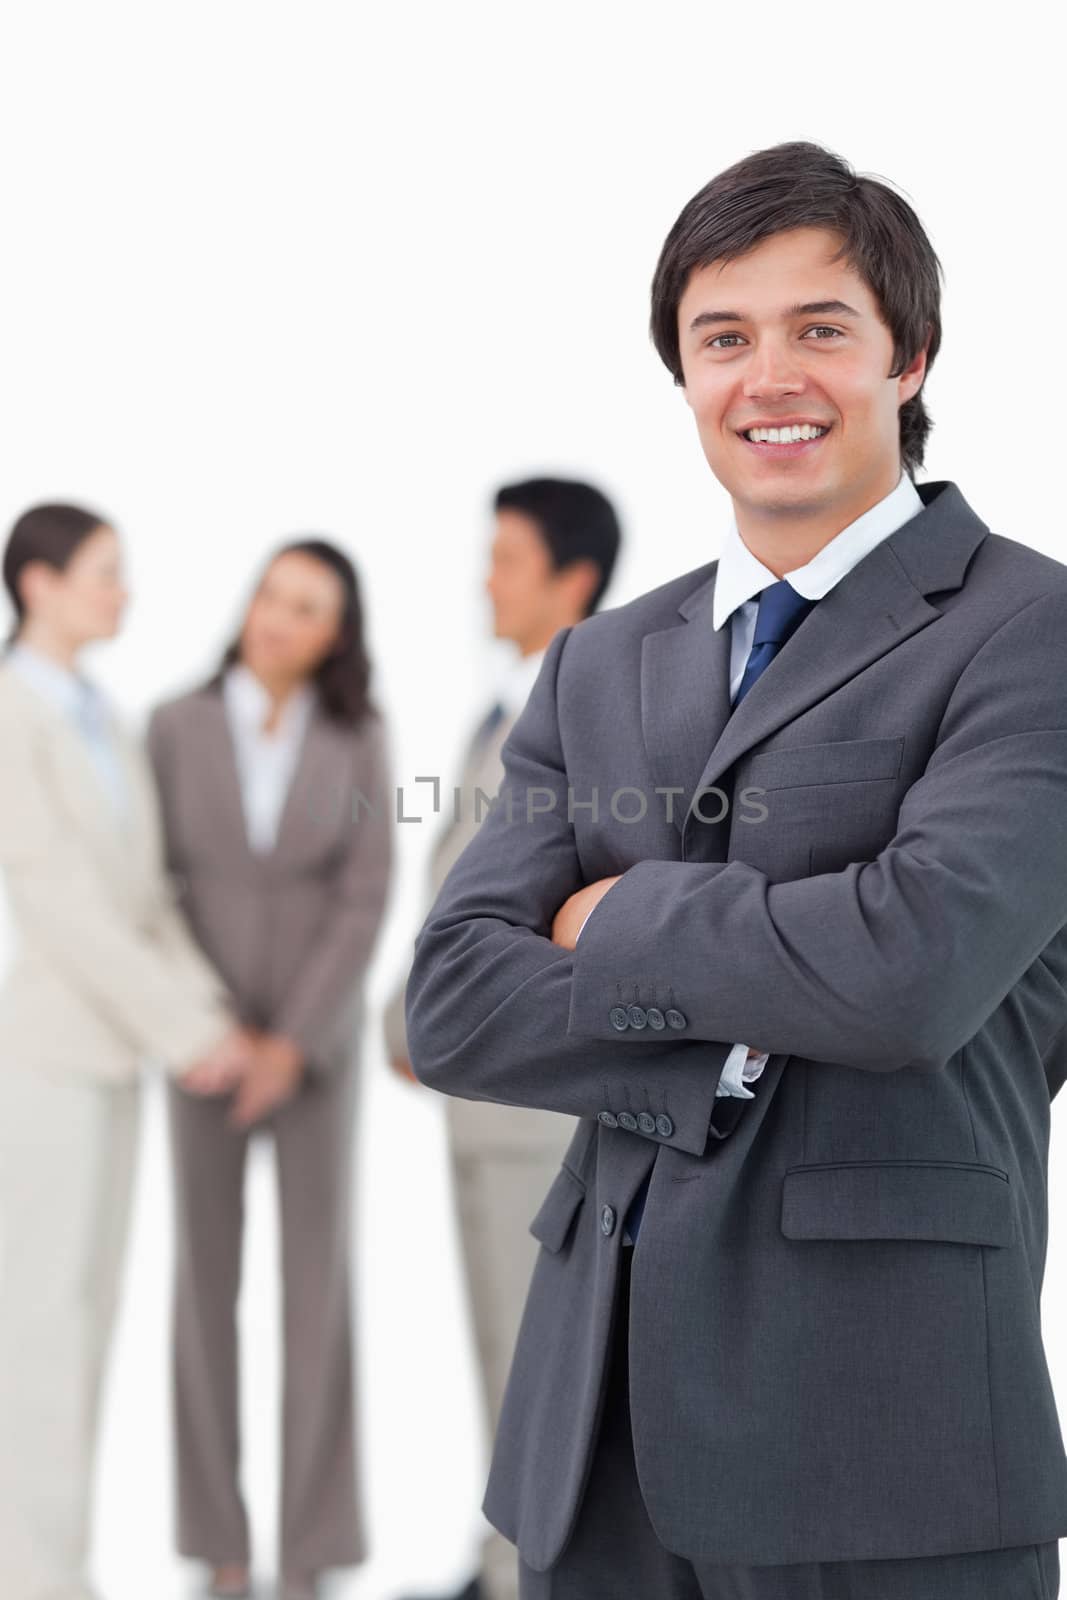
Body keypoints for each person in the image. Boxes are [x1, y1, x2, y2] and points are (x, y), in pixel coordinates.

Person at [404, 140, 1067, 1600]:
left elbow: (910, 972)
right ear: (686, 376)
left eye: (817, 329)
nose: (768, 376)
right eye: (723, 339)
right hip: (594, 1432)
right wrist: (730, 1033)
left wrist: (611, 913)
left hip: (881, 1436)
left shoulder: (1029, 631)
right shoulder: (598, 659)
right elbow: (449, 999)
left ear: (910, 356)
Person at [0, 502, 256, 1600]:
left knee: (89, 1319)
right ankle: (33, 1576)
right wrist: (191, 1029)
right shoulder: (12, 709)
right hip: (50, 1053)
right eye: (105, 572)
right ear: (39, 583)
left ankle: (62, 1569)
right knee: (41, 1329)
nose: (123, 591)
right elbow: (60, 902)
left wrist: (211, 1016)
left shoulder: (102, 716)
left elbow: (146, 899)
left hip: (116, 1057)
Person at [385, 477, 621, 1600]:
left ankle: (524, 1568)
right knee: (498, 1347)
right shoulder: (508, 708)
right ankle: (500, 1562)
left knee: (539, 1367)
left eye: (506, 556)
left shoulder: (589, 716)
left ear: (569, 578)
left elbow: (529, 911)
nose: (485, 576)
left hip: (532, 1108)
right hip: (481, 1099)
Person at [146, 538, 393, 1600]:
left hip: (315, 1050)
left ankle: (311, 1552)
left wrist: (291, 1040)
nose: (279, 619)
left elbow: (364, 891)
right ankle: (220, 1548)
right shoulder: (174, 725)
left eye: (306, 607)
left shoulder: (358, 735)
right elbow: (150, 884)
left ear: (336, 631)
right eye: (270, 597)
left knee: (316, 1287)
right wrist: (215, 1029)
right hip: (201, 1047)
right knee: (203, 1290)